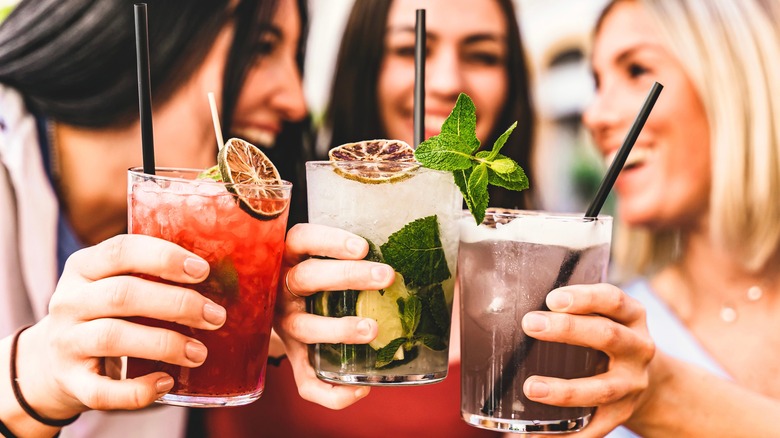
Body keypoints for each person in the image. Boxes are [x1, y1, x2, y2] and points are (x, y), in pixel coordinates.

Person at [201, 1, 653, 437]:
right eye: (408, 50)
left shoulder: (541, 270)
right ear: (364, 66)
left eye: (483, 55)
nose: (446, 82)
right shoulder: (258, 233)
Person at [0, 0, 396, 437]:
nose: (296, 101)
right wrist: (28, 377)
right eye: (262, 47)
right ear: (157, 33)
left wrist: (257, 312)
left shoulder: (182, 230)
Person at [582, 0, 780, 436]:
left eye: (635, 70)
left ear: (737, 80)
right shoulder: (608, 337)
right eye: (596, 82)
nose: (594, 116)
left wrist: (664, 397)